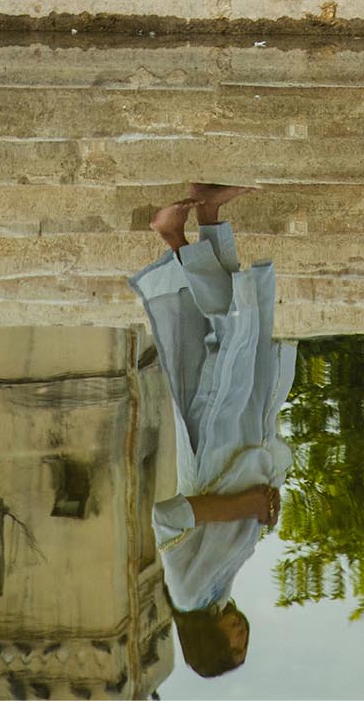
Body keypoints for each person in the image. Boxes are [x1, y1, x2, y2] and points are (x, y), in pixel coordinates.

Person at [130, 184, 297, 680]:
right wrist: (265, 513)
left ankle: (175, 236)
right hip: (241, 448)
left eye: (234, 648)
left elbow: (171, 517)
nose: (243, 637)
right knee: (243, 338)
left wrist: (247, 506)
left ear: (209, 643)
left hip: (215, 450)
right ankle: (210, 219)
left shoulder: (186, 593)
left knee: (229, 342)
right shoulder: (215, 592)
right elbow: (229, 525)